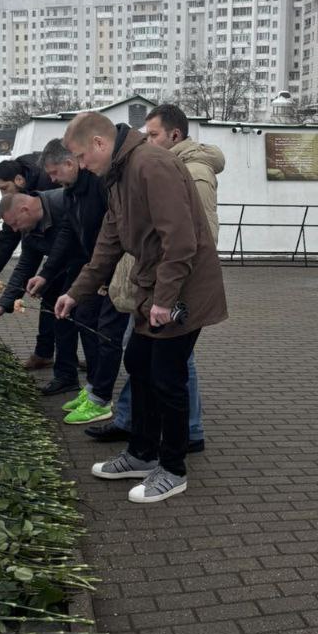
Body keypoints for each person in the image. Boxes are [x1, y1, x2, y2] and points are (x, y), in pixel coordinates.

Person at [55, 111, 227, 505]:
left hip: (182, 290)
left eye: (81, 157)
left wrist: (164, 300)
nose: (81, 166)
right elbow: (109, 242)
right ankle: (142, 453)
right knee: (139, 363)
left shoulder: (151, 165)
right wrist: (76, 292)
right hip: (155, 287)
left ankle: (173, 470)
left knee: (167, 377)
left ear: (99, 143)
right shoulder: (119, 172)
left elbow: (181, 241)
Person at [88, 103, 224, 454]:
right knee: (143, 361)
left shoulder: (190, 172)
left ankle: (185, 434)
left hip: (174, 289)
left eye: (153, 135)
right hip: (153, 284)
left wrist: (167, 293)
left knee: (170, 367)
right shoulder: (145, 168)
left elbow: (197, 236)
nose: (145, 141)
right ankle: (137, 428)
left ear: (174, 135)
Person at [29, 139, 129, 422]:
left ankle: (101, 398)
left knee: (105, 332)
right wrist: (46, 273)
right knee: (84, 318)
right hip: (93, 268)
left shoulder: (98, 185)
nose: (51, 180)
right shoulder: (71, 191)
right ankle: (94, 387)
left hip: (113, 268)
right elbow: (68, 232)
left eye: (54, 172)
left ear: (70, 163)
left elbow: (113, 232)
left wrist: (104, 274)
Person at [0, 190, 81, 388]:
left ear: (25, 210)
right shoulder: (29, 229)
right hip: (60, 272)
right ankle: (66, 377)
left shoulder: (64, 202)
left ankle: (96, 388)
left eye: (15, 223)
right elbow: (25, 266)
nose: (15, 230)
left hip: (89, 268)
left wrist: (47, 275)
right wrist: (3, 305)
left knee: (85, 321)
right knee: (60, 319)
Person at [0, 150, 57, 370]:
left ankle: (80, 365)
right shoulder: (19, 200)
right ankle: (46, 354)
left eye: (4, 188)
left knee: (65, 301)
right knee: (51, 299)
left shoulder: (49, 186)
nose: (2, 195)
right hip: (53, 252)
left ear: (19, 180)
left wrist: (46, 273)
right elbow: (9, 235)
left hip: (72, 252)